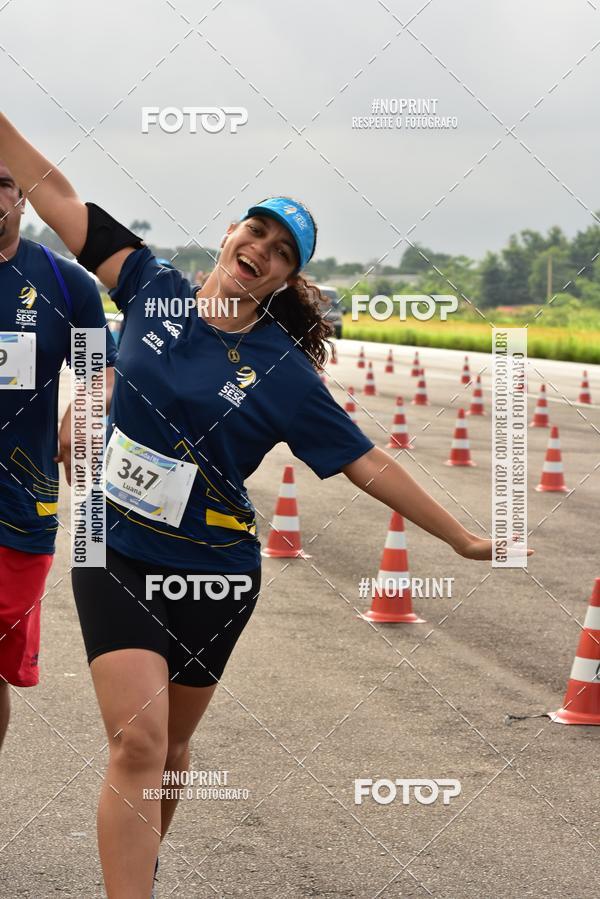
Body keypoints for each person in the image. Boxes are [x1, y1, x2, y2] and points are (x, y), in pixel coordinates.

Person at [0, 112, 530, 899]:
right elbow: (56, 192)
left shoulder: (282, 371)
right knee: (136, 742)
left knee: (172, 753)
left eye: (282, 253)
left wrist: (460, 538)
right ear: (229, 235)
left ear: (284, 279)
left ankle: (139, 861)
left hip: (215, 576)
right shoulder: (151, 286)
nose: (263, 252)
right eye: (258, 233)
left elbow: (366, 461)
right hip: (113, 550)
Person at [0, 157, 116, 751]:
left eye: (1, 182)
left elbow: (101, 370)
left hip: (20, 509)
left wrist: (83, 409)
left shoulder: (66, 282)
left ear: (23, 197)